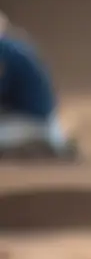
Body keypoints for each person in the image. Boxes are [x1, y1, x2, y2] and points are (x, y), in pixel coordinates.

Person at [0, 10, 77, 160]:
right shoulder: (15, 46)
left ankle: (41, 143)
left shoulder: (4, 52)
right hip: (48, 120)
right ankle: (50, 141)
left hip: (33, 122)